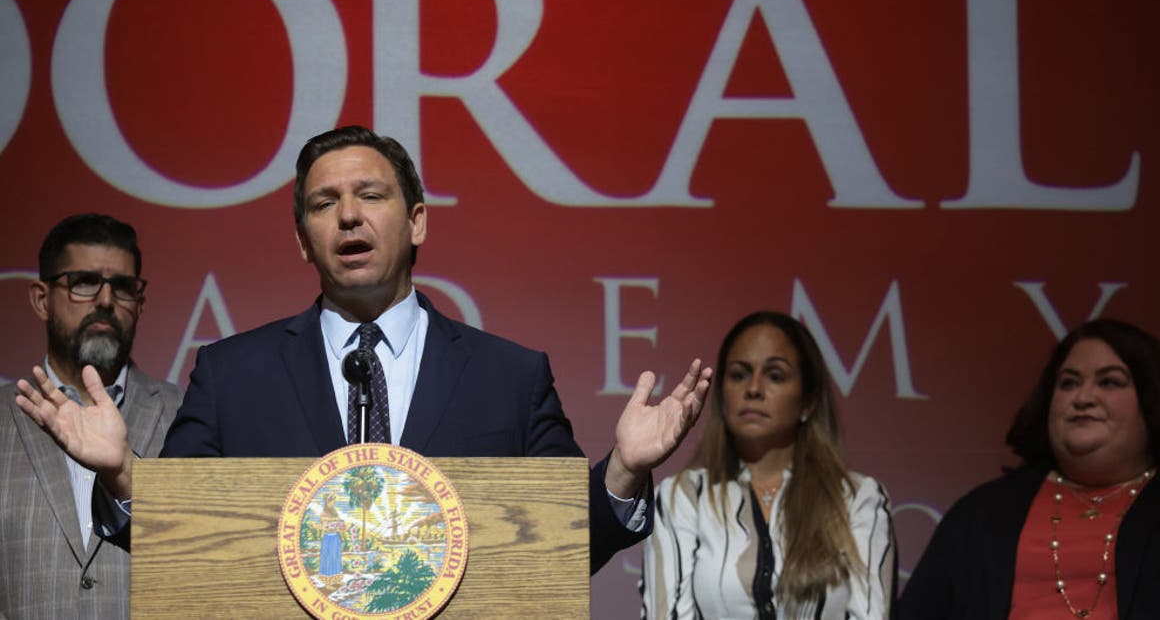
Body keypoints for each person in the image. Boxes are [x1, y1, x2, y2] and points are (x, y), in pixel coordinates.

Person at [15, 125, 711, 576]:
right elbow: (180, 545)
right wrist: (124, 473)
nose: (348, 214)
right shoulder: (233, 373)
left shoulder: (508, 375)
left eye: (370, 195)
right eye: (323, 203)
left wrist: (622, 469)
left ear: (415, 222)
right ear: (301, 240)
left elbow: (565, 546)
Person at [897, 318, 1160, 619]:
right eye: (1068, 383)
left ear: (1153, 400)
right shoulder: (984, 513)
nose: (1083, 398)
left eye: (1109, 382)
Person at [641, 311, 895, 619]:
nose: (754, 389)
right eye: (739, 374)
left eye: (775, 376)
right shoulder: (681, 497)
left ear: (808, 401)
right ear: (721, 392)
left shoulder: (859, 498)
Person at [1, 214, 184, 619]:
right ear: (41, 299)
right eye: (84, 282)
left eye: (122, 286)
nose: (105, 300)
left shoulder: (186, 414)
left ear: (140, 303)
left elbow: (208, 559)